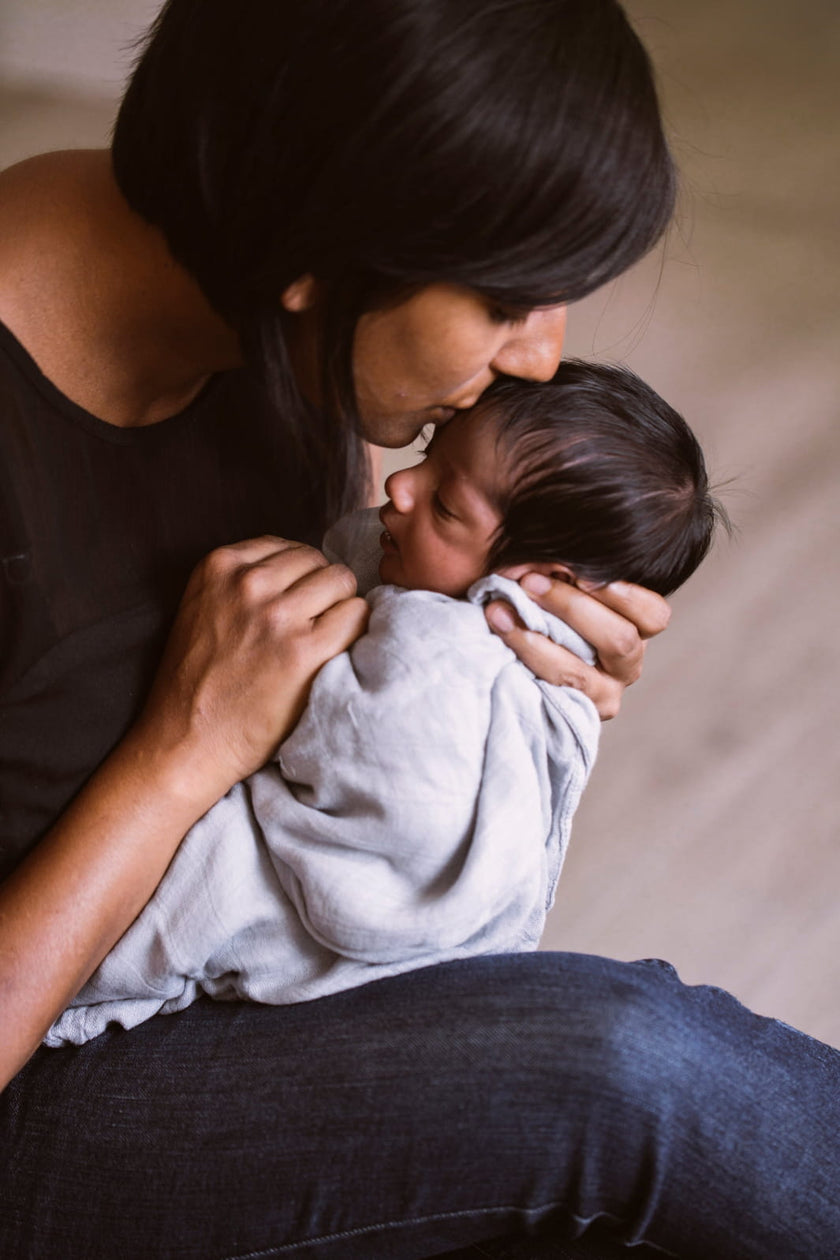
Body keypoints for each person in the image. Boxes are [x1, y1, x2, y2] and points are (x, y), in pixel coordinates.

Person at [0, 2, 837, 1257]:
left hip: (230, 989)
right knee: (625, 1076)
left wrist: (493, 673)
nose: (542, 358)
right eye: (508, 298)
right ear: (320, 256)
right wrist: (178, 755)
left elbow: (326, 710)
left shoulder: (266, 322)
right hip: (50, 1083)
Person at [45, 361, 724, 1048]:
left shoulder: (440, 648)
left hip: (352, 926)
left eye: (446, 504)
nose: (401, 485)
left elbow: (376, 786)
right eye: (429, 458)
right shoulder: (435, 583)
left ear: (538, 582)